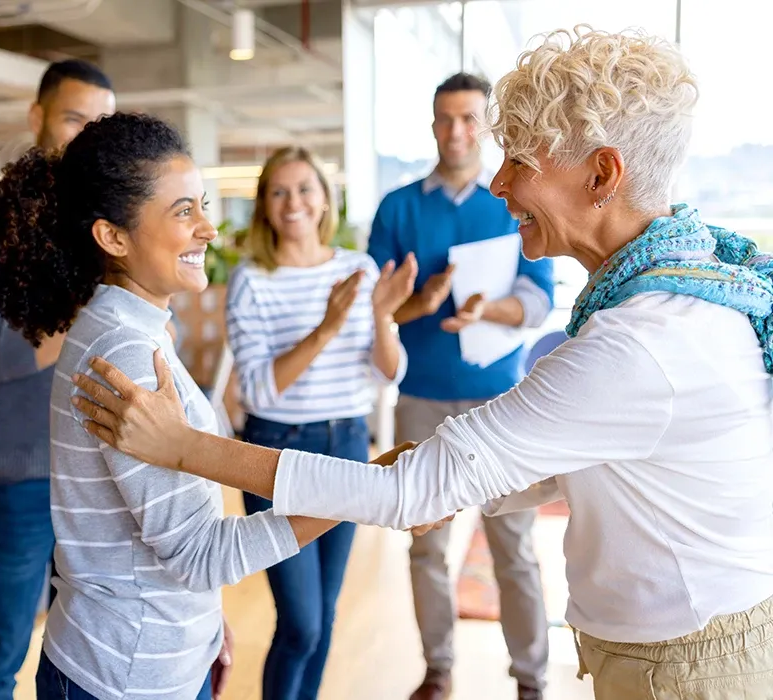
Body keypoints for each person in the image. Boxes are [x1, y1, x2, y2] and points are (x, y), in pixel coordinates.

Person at [67, 26, 773, 700]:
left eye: (521, 160)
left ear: (602, 174)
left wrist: (188, 448)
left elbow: (416, 490)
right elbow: (569, 462)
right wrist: (421, 479)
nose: (500, 184)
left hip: (684, 667)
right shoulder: (672, 290)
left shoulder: (640, 339)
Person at [0, 112, 375, 700]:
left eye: (203, 204)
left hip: (155, 656)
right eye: (183, 211)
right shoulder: (123, 353)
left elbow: (162, 529)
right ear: (114, 237)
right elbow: (199, 554)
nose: (208, 229)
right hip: (124, 676)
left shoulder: (136, 327)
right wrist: (363, 492)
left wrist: (205, 623)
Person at [368, 72, 553, 700]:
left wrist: (484, 309)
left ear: (487, 124)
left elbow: (538, 300)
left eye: (470, 118)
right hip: (421, 399)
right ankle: (438, 670)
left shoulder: (513, 198)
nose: (457, 131)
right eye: (446, 119)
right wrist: (424, 301)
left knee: (514, 548)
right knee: (425, 546)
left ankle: (531, 680)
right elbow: (379, 309)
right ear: (432, 125)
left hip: (504, 400)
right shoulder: (398, 208)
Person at [225, 145, 414, 700]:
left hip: (348, 443)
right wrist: (326, 328)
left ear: (325, 199)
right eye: (279, 191)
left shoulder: (357, 269)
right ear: (264, 205)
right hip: (276, 453)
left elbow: (388, 373)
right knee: (301, 621)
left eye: (305, 188)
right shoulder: (251, 279)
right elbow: (256, 390)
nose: (294, 202)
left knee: (325, 616)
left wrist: (380, 315)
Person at [0, 58, 115, 700]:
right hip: (16, 479)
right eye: (74, 118)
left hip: (107, 478)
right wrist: (84, 316)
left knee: (93, 661)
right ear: (37, 118)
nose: (89, 137)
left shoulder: (113, 228)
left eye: (103, 124)